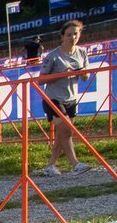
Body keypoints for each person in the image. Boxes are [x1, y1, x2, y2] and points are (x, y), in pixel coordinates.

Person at [36, 20, 92, 177]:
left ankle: (50, 166)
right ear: (62, 36)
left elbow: (85, 77)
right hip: (53, 99)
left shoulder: (82, 53)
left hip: (71, 98)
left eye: (76, 34)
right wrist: (61, 74)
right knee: (66, 130)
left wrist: (81, 72)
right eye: (69, 35)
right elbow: (41, 80)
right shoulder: (53, 56)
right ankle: (75, 164)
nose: (72, 37)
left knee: (64, 134)